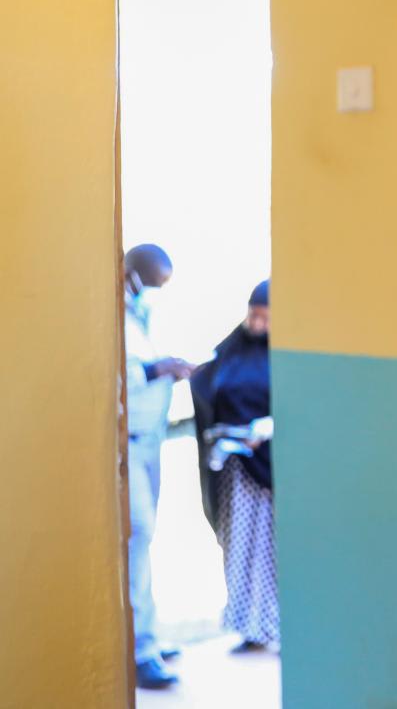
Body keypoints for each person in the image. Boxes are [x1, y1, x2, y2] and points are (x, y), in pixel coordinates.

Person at [190, 280, 279, 652]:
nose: (256, 324)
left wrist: (270, 426)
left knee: (272, 550)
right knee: (239, 549)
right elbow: (207, 383)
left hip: (271, 468)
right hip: (235, 471)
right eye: (252, 315)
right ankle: (248, 627)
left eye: (264, 318)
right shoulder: (231, 349)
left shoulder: (284, 356)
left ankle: (274, 625)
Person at [123, 244, 194, 690]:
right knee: (137, 539)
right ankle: (140, 651)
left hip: (150, 441)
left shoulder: (140, 316)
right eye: (153, 285)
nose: (156, 293)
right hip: (125, 445)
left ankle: (147, 634)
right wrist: (157, 369)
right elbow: (117, 374)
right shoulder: (112, 317)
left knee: (145, 543)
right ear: (132, 275)